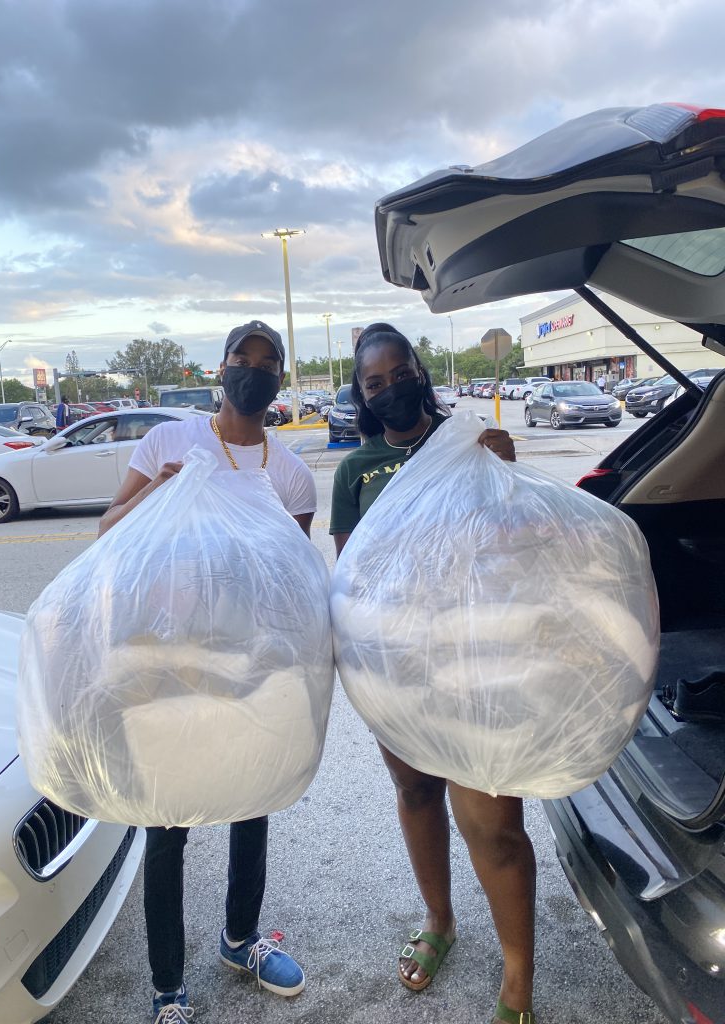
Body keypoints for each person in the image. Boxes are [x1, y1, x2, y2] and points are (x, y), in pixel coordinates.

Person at [99, 321, 315, 1023]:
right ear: (220, 369)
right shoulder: (170, 440)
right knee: (169, 822)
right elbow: (108, 531)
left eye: (266, 362)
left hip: (249, 664)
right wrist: (147, 500)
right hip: (167, 663)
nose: (252, 371)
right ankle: (167, 987)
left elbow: (294, 584)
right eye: (241, 360)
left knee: (251, 802)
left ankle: (240, 939)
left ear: (280, 377)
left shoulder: (292, 476)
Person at [330, 323, 536, 1024]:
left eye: (398, 372)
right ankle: (440, 922)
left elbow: (516, 546)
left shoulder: (472, 442)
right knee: (416, 792)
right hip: (395, 668)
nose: (390, 387)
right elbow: (350, 578)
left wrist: (506, 468)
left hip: (474, 664)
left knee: (494, 821)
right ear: (361, 393)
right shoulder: (354, 471)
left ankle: (517, 979)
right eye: (373, 381)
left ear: (420, 369)